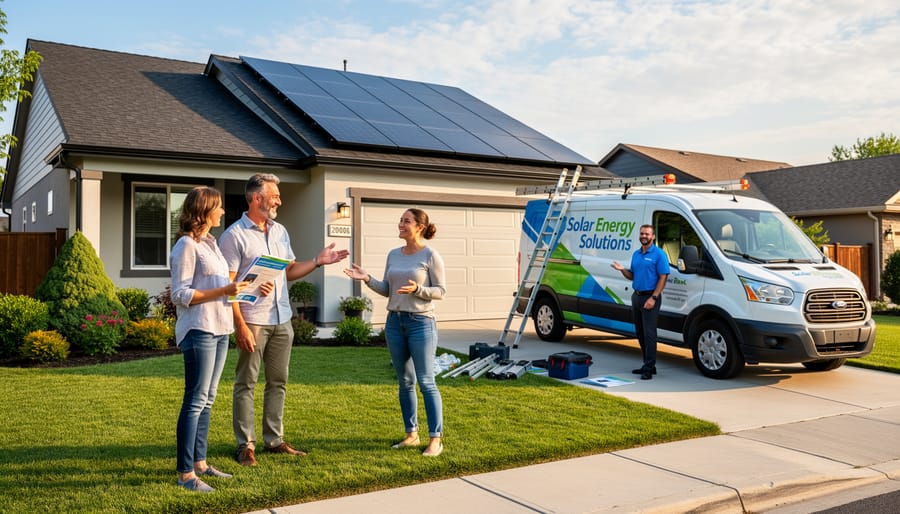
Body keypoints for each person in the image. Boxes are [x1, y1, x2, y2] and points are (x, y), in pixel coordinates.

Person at [219, 173, 349, 467]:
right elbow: (229, 286)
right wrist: (239, 325)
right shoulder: (234, 236)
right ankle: (245, 445)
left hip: (282, 318)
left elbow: (288, 271)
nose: (279, 200)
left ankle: (274, 440)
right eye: (274, 195)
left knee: (278, 382)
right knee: (246, 383)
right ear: (256, 198)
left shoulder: (280, 232)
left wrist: (317, 261)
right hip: (252, 320)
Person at [344, 208, 446, 457]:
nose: (400, 224)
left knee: (426, 382)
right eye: (400, 220)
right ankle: (411, 434)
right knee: (405, 381)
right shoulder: (393, 254)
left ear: (420, 226)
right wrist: (367, 278)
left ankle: (436, 439)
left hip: (421, 323)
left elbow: (441, 291)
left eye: (406, 221)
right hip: (395, 323)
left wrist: (418, 290)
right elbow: (388, 289)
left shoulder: (430, 255)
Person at [170, 186, 251, 492]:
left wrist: (245, 288)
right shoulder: (186, 246)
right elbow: (180, 294)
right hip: (199, 329)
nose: (222, 212)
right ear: (203, 211)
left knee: (209, 399)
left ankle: (201, 463)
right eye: (217, 207)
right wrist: (224, 291)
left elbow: (223, 286)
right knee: (194, 400)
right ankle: (186, 474)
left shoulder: (212, 244)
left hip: (220, 329)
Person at [611, 224, 669, 381]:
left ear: (653, 236)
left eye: (647, 234)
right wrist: (622, 269)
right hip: (636, 296)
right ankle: (648, 364)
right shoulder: (636, 254)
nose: (644, 236)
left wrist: (654, 298)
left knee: (650, 334)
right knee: (640, 333)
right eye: (642, 233)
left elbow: (663, 277)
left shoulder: (659, 254)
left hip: (651, 297)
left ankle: (649, 368)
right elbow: (632, 276)